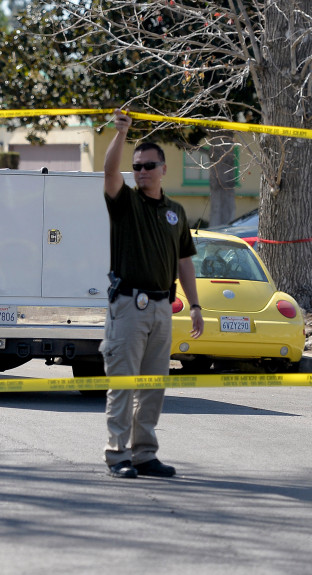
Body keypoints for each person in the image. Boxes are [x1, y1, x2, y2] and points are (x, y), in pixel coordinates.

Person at [101, 110, 204, 479]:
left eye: (148, 166)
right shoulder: (126, 203)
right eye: (137, 166)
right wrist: (121, 133)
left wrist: (194, 305)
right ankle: (118, 455)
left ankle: (145, 454)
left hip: (163, 306)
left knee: (154, 385)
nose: (141, 171)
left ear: (163, 169)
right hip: (129, 305)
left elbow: (185, 261)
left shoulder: (175, 212)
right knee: (124, 384)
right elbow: (110, 173)